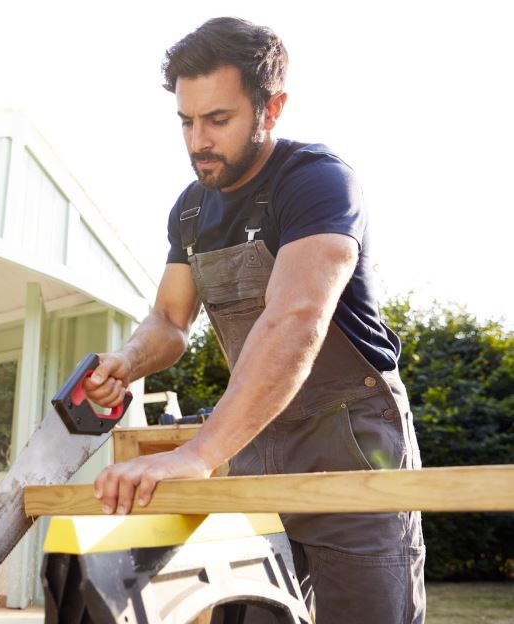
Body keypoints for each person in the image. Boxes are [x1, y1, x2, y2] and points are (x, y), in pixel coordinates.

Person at [84, 17, 425, 623]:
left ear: (274, 106)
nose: (197, 141)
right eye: (186, 121)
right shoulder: (190, 210)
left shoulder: (317, 181)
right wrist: (126, 361)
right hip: (255, 438)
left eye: (218, 120)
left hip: (351, 444)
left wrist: (199, 452)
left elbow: (295, 319)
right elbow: (168, 318)